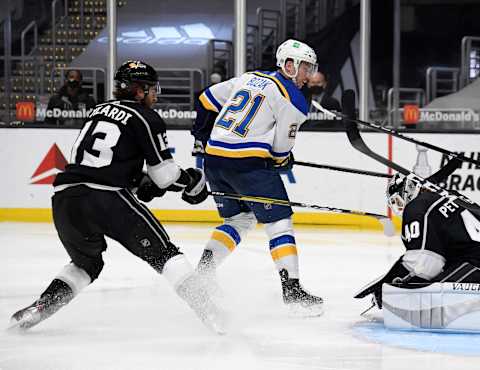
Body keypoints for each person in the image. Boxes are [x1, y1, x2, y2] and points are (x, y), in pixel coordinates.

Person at [9, 60, 224, 334]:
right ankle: (210, 311)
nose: (155, 95)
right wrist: (191, 181)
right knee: (165, 254)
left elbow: (106, 162)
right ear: (140, 91)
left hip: (65, 197)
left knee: (86, 264)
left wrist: (139, 181)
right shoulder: (146, 117)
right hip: (106, 197)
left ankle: (40, 307)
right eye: (152, 89)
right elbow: (165, 175)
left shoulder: (98, 111)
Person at [192, 39, 324, 315]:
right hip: (247, 166)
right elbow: (279, 151)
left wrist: (202, 139)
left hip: (214, 160)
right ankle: (293, 290)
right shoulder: (294, 99)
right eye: (305, 68)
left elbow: (205, 99)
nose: (308, 75)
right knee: (279, 222)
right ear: (289, 65)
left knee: (238, 220)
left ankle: (202, 275)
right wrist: (282, 160)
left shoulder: (250, 77)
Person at [355, 172, 480, 309]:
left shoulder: (416, 206)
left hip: (474, 264)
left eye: (397, 201)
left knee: (424, 302)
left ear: (408, 191)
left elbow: (425, 263)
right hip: (471, 260)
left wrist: (392, 288)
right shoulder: (452, 196)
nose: (399, 208)